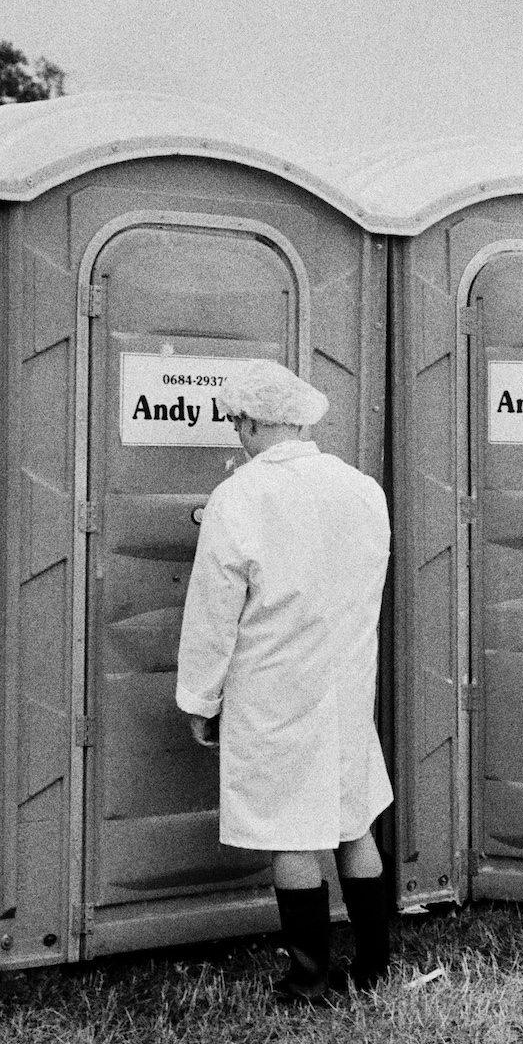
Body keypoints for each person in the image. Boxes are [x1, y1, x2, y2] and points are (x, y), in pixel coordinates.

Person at [177, 359, 395, 1001]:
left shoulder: (239, 497)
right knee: (354, 820)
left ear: (248, 422)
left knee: (290, 829)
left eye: (235, 423)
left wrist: (200, 695)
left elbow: (213, 611)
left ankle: (308, 979)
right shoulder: (362, 489)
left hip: (273, 685)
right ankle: (374, 967)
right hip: (346, 682)